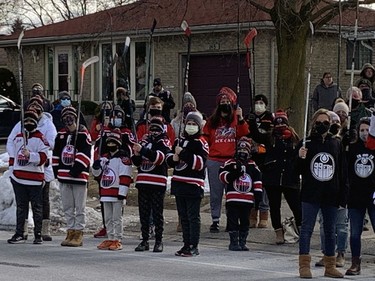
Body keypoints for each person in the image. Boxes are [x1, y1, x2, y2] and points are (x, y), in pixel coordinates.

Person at [296, 108, 348, 279]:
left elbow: (341, 170)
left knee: (330, 228)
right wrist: (299, 157)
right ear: (313, 123)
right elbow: (295, 171)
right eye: (319, 122)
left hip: (330, 194)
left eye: (326, 122)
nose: (322, 125)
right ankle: (304, 265)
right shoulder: (306, 143)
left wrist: (343, 195)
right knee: (307, 229)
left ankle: (330, 265)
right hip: (311, 193)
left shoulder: (336, 143)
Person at [7, 95, 57, 241]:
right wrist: (14, 161)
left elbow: (49, 146)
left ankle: (41, 231)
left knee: (40, 203)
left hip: (39, 173)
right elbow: (11, 143)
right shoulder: (19, 130)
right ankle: (21, 231)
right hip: (20, 174)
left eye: (36, 108)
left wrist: (31, 154)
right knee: (21, 205)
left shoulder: (47, 126)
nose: (33, 110)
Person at [249, 109, 301, 245]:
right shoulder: (269, 137)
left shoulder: (295, 139)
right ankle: (278, 231)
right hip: (273, 177)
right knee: (274, 206)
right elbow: (255, 135)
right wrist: (252, 121)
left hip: (290, 177)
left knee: (296, 206)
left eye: (282, 123)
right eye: (277, 124)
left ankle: (301, 229)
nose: (280, 127)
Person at [202, 86, 249, 233]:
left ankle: (231, 220)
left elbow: (244, 134)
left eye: (227, 99)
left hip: (231, 160)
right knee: (216, 192)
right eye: (222, 99)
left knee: (231, 192)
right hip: (215, 159)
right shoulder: (212, 121)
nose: (224, 101)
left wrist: (241, 119)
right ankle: (215, 219)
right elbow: (205, 137)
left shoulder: (236, 118)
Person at [167, 111, 208, 257]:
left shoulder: (201, 142)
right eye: (188, 124)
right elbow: (170, 160)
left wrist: (183, 154)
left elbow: (200, 164)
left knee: (193, 216)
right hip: (179, 183)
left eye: (193, 124)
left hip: (193, 184)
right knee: (183, 216)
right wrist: (174, 158)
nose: (190, 127)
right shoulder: (179, 141)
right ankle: (185, 243)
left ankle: (194, 245)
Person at [52, 106, 92, 247]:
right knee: (68, 206)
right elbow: (56, 154)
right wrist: (56, 171)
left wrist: (75, 170)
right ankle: (70, 230)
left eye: (71, 117)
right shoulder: (61, 135)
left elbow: (85, 155)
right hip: (64, 176)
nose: (68, 120)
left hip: (78, 176)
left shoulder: (83, 134)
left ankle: (79, 232)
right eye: (65, 117)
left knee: (79, 207)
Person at [132, 117, 172, 253]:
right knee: (143, 213)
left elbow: (159, 158)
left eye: (157, 129)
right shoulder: (144, 140)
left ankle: (159, 240)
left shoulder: (164, 141)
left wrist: (142, 150)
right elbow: (137, 162)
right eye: (152, 128)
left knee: (157, 213)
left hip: (157, 182)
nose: (154, 131)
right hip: (143, 181)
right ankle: (144, 240)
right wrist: (136, 153)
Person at [315, 111, 349, 268]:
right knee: (324, 225)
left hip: (340, 188)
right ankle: (326, 253)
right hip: (325, 190)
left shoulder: (347, 139)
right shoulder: (325, 141)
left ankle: (341, 253)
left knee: (341, 225)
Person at [219, 137, 262, 251]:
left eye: (245, 149)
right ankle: (233, 242)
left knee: (245, 221)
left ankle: (242, 241)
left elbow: (257, 182)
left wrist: (258, 198)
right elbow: (222, 177)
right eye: (240, 149)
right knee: (232, 220)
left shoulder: (253, 165)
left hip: (247, 201)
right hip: (232, 199)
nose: (242, 152)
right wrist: (234, 173)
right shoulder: (230, 163)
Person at [92, 128, 132, 251]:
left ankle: (118, 239)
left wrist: (122, 193)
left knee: (116, 217)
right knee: (108, 218)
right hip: (105, 192)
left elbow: (125, 176)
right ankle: (110, 236)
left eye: (113, 143)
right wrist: (96, 166)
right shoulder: (105, 159)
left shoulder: (123, 159)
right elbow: (97, 175)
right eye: (109, 143)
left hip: (116, 193)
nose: (111, 145)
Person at [345, 117, 375, 276]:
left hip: (373, 196)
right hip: (356, 196)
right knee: (355, 232)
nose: (364, 133)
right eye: (361, 130)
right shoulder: (352, 148)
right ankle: (355, 262)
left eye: (367, 130)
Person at [247, 94, 273, 229]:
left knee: (263, 186)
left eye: (261, 103)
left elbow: (265, 137)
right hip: (251, 158)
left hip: (264, 158)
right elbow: (245, 134)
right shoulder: (249, 117)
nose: (259, 105)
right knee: (251, 185)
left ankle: (264, 213)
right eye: (256, 103)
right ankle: (252, 213)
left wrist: (253, 127)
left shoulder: (270, 118)